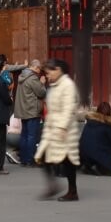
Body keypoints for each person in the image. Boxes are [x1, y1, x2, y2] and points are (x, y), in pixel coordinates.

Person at [36, 59, 82, 202]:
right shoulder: (55, 85)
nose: (47, 76)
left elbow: (69, 107)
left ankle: (72, 191)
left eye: (49, 72)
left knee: (68, 160)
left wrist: (62, 127)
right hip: (52, 128)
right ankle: (53, 186)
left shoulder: (67, 85)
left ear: (58, 70)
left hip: (65, 129)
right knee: (44, 156)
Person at [13, 59, 46, 166]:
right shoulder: (32, 78)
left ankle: (23, 158)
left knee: (24, 135)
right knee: (32, 136)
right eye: (39, 69)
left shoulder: (22, 76)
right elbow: (41, 93)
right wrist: (42, 83)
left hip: (23, 109)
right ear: (36, 67)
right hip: (32, 109)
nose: (40, 71)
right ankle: (30, 159)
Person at [79, 101, 111, 176]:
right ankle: (98, 167)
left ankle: (89, 166)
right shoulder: (107, 126)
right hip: (97, 155)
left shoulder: (89, 123)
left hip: (83, 154)